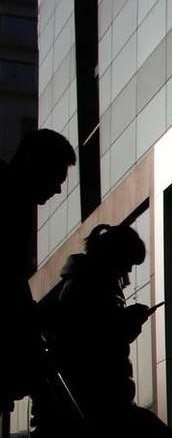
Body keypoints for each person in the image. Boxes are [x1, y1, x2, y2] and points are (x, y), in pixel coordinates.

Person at [36, 224, 172, 438]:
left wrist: (125, 322)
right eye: (127, 264)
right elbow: (91, 344)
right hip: (98, 405)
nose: (128, 272)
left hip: (103, 403)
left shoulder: (88, 286)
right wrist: (127, 322)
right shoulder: (84, 289)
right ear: (114, 258)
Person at [0, 129, 75, 413]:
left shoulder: (15, 201)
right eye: (56, 177)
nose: (58, 189)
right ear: (32, 161)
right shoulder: (11, 202)